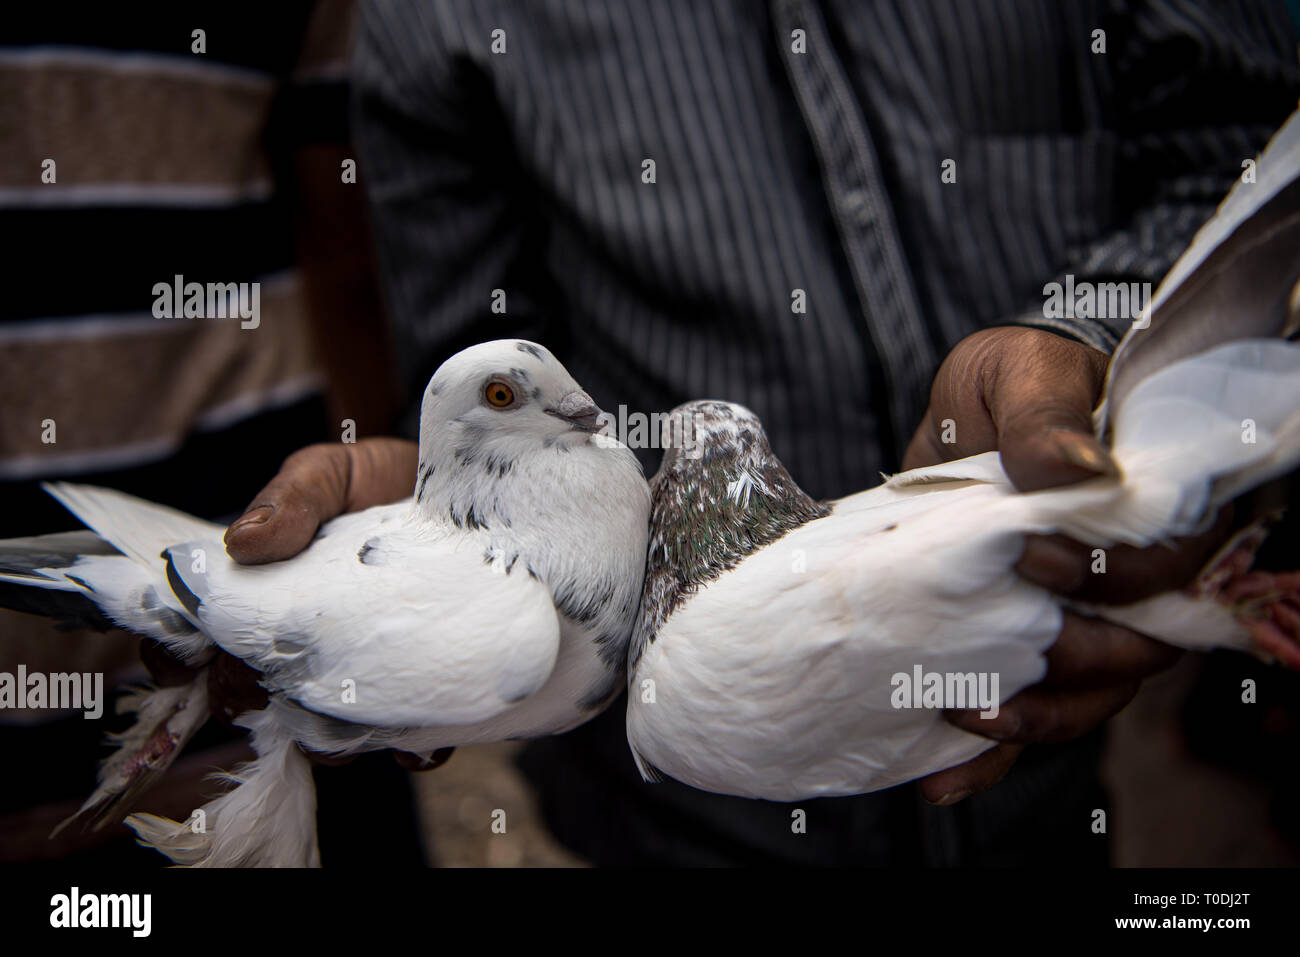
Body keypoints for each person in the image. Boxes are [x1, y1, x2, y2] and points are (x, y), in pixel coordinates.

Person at [219, 0, 1300, 865]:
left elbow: (1242, 149)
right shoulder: (442, 18)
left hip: (1038, 757)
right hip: (679, 815)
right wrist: (472, 547)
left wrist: (1098, 354)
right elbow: (487, 360)